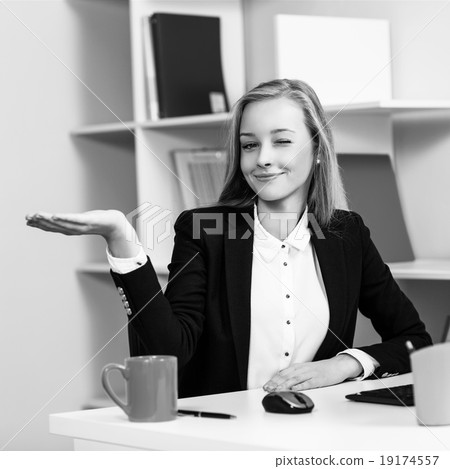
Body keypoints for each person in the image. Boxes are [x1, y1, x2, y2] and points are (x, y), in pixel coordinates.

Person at [26, 78, 431, 398]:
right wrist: (122, 239)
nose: (263, 158)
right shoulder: (205, 230)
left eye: (282, 141)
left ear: (318, 150)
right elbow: (166, 353)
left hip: (316, 433)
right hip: (223, 437)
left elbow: (414, 339)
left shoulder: (347, 233)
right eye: (249, 145)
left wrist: (342, 365)